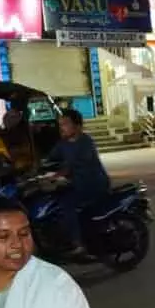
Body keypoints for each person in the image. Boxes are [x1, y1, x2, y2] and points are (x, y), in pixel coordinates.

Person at [46, 108, 110, 254]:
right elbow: (50, 158)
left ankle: (78, 243)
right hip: (75, 183)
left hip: (93, 184)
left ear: (78, 126)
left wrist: (58, 175)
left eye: (66, 124)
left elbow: (76, 164)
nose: (62, 127)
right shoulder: (63, 143)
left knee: (66, 204)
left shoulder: (86, 142)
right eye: (61, 124)